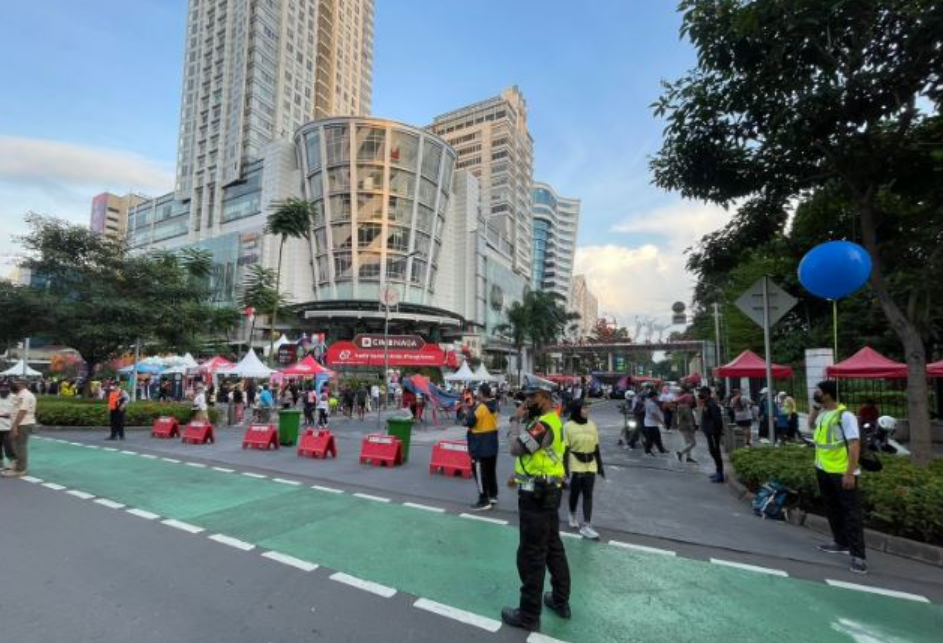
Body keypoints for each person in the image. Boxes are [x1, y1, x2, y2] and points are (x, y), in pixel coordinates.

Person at [501, 382, 571, 632]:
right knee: (553, 547)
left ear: (543, 397)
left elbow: (516, 448)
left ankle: (529, 615)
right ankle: (560, 600)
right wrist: (517, 476)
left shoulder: (543, 424)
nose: (525, 403)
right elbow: (539, 459)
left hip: (537, 498)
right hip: (548, 490)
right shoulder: (552, 421)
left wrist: (514, 420)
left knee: (531, 555)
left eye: (530, 398)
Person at [809, 380, 868, 574]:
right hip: (823, 468)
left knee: (851, 513)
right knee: (832, 508)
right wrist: (816, 408)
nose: (815, 393)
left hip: (842, 472)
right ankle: (840, 542)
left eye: (818, 391)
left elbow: (854, 444)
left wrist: (849, 472)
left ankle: (858, 556)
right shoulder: (824, 413)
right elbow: (810, 424)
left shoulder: (845, 416)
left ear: (827, 394)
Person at [564, 401, 604, 539]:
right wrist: (564, 470)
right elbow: (565, 449)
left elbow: (596, 446)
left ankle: (587, 525)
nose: (587, 410)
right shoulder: (568, 426)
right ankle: (572, 513)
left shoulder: (592, 424)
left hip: (591, 462)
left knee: (588, 493)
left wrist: (600, 466)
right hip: (576, 462)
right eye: (584, 408)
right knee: (575, 492)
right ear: (577, 410)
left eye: (587, 408)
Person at [466, 383, 500, 511]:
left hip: (479, 443)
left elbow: (468, 421)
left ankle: (483, 499)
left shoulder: (480, 408)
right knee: (491, 472)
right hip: (492, 442)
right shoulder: (495, 406)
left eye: (478, 392)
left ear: (481, 393)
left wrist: (469, 410)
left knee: (479, 472)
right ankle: (492, 495)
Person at [3, 378, 37, 478]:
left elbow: (22, 411)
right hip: (20, 423)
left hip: (23, 424)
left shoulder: (25, 395)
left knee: (20, 446)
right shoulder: (20, 394)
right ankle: (17, 466)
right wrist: (9, 414)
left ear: (21, 384)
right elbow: (17, 410)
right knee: (15, 444)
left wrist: (15, 426)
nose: (12, 385)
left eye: (16, 383)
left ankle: (21, 469)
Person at [698, 386, 725, 482]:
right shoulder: (707, 403)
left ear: (707, 394)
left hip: (713, 433)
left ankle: (720, 474)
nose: (700, 395)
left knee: (716, 452)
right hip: (709, 433)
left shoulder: (712, 404)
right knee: (712, 452)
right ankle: (718, 471)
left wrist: (716, 431)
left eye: (702, 393)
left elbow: (717, 419)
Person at [674, 388, 698, 464]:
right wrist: (692, 428)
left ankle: (688, 458)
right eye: (691, 399)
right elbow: (689, 420)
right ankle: (680, 453)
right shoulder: (686, 407)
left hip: (682, 426)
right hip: (686, 427)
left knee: (688, 443)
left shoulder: (680, 406)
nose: (692, 400)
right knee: (693, 443)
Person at [642, 389, 668, 456]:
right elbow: (654, 415)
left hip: (650, 423)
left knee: (657, 437)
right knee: (650, 439)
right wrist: (662, 422)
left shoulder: (647, 402)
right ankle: (647, 451)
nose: (657, 397)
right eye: (656, 396)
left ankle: (661, 449)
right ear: (653, 396)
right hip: (651, 424)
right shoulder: (651, 404)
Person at [0, 380, 18, 471]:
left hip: (8, 426)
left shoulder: (14, 397)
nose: (4, 389)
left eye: (6, 387)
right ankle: (1, 463)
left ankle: (12, 462)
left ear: (9, 388)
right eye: (2, 387)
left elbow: (16, 411)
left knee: (8, 446)